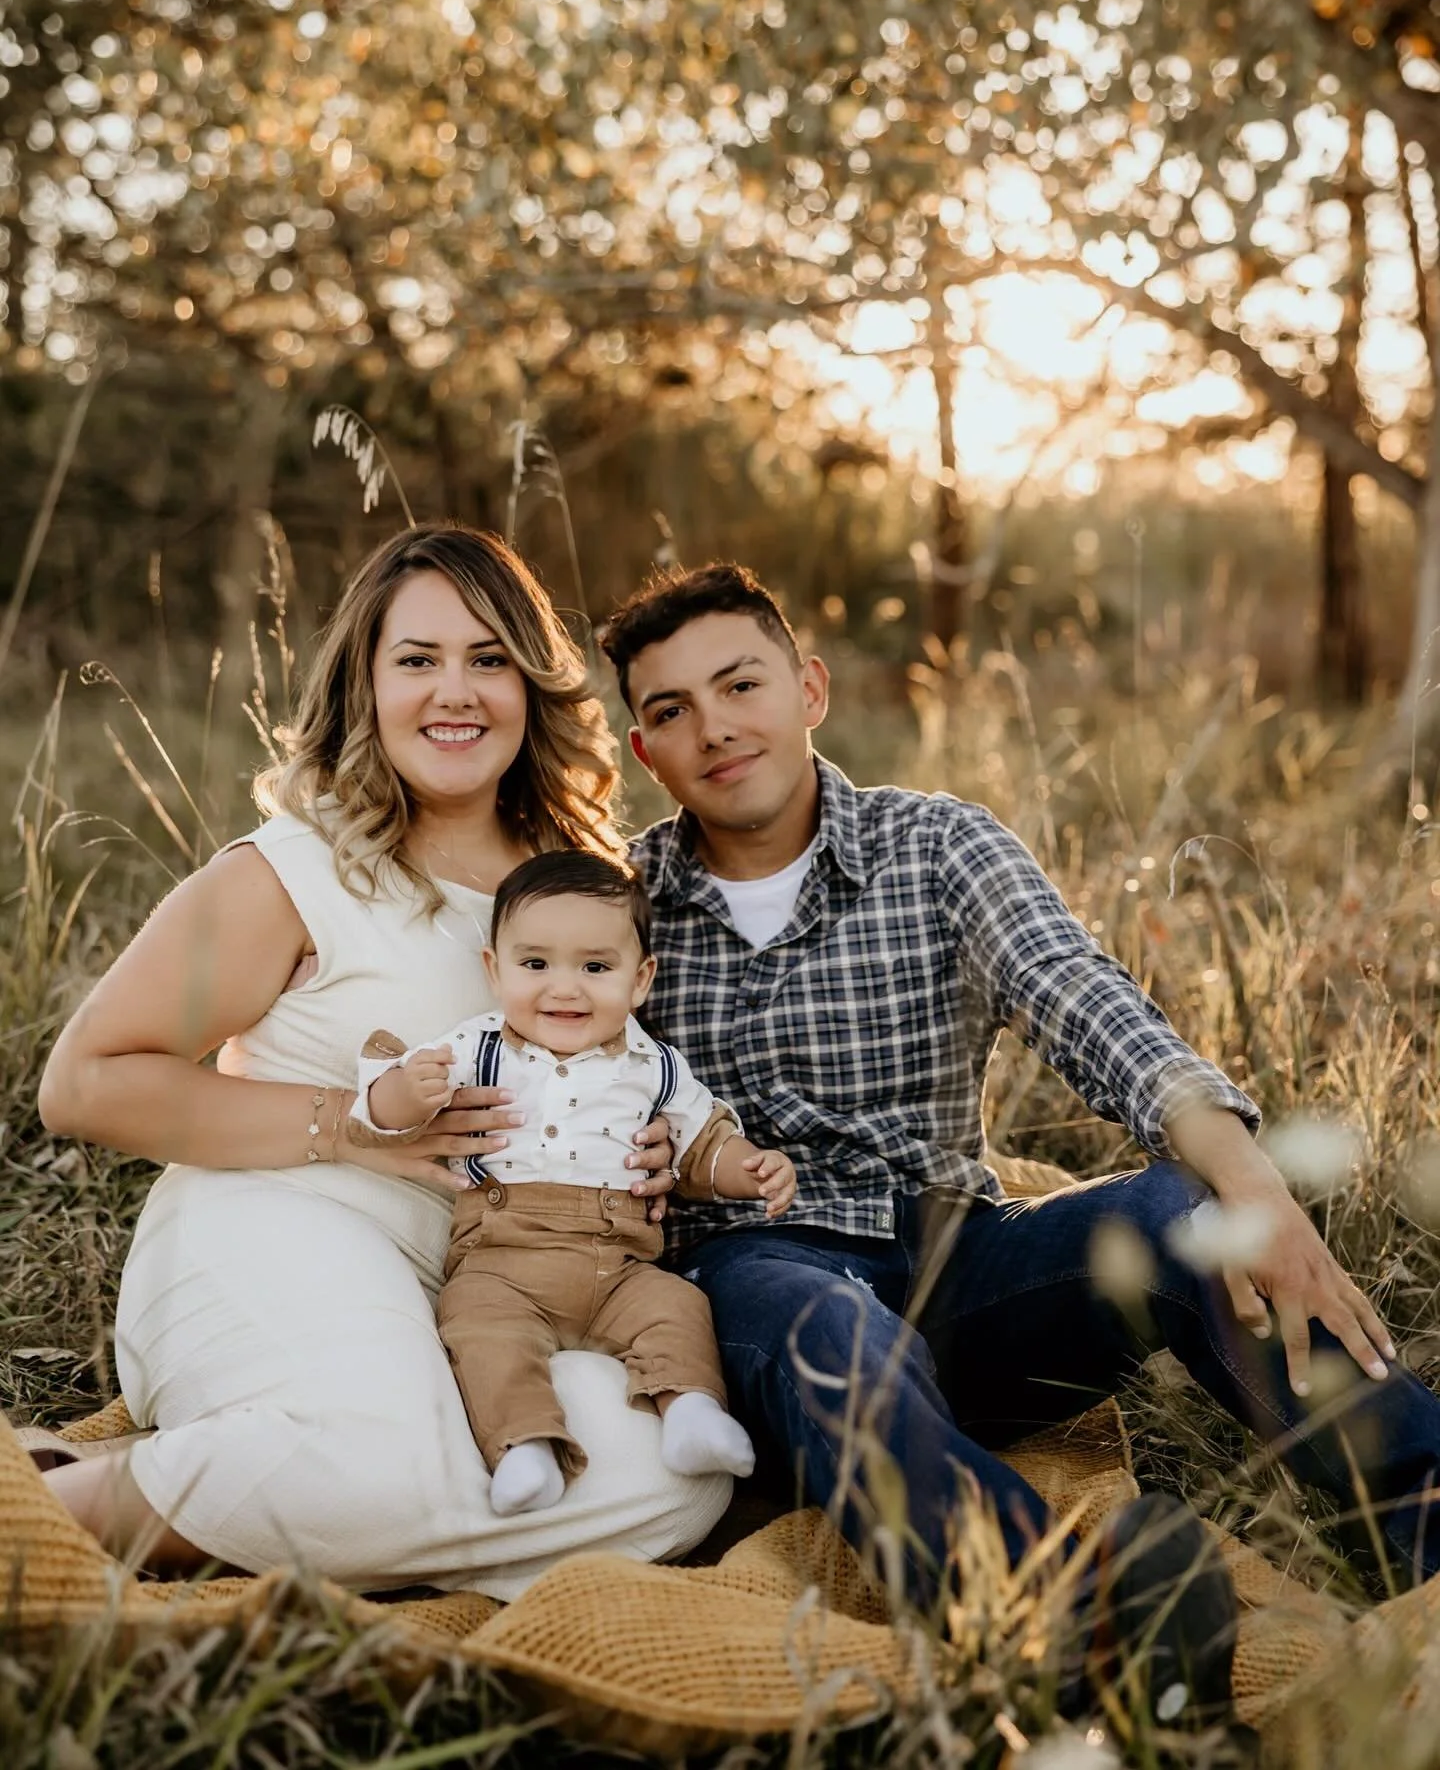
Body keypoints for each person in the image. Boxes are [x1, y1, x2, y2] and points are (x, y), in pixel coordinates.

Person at [598, 562, 1440, 1719]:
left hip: (959, 1262)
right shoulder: (619, 902)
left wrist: (1253, 1185)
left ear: (810, 688)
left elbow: (1082, 1001)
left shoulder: (938, 847)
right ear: (644, 750)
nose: (714, 728)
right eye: (670, 710)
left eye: (739, 684)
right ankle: (1083, 1620)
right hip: (761, 1280)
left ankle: (1422, 1523)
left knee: (1184, 1215)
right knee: (825, 1322)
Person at [33, 525, 731, 1598]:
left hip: (495, 1290)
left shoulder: (582, 884)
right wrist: (346, 1127)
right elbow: (83, 1082)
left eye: (489, 658)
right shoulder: (295, 872)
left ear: (532, 687)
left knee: (669, 1481)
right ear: (366, 682)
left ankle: (253, 1487)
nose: (456, 692)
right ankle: (44, 1509)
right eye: (418, 660)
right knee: (375, 1462)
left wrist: (653, 1148)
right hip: (280, 1231)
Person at [349, 848, 795, 1517]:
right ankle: (526, 1446)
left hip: (619, 1265)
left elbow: (703, 1143)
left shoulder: (654, 1065)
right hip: (502, 1258)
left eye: (595, 967)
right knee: (477, 1326)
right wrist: (404, 1094)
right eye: (536, 965)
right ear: (494, 972)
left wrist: (749, 1167)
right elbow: (377, 1113)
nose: (565, 988)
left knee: (677, 1309)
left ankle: (692, 1414)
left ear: (639, 980)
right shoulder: (479, 1047)